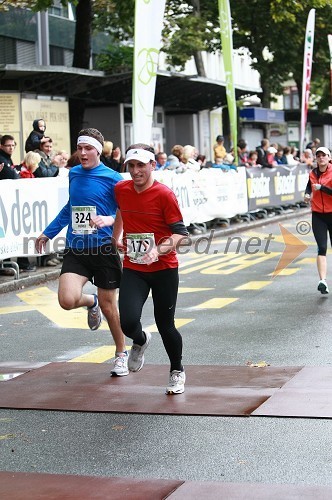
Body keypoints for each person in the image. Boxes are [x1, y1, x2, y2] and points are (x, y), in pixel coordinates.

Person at [35, 128, 128, 376]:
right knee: (66, 300)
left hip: (103, 248)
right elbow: (70, 208)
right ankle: (91, 302)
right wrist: (49, 232)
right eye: (80, 148)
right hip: (76, 247)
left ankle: (121, 352)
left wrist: (109, 222)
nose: (83, 153)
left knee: (111, 308)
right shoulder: (74, 174)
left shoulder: (114, 178)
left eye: (88, 148)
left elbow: (126, 211)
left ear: (98, 150)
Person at [109, 143, 189, 394]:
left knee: (165, 324)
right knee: (128, 322)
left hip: (164, 267)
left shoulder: (164, 194)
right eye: (131, 166)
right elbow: (121, 209)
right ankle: (141, 341)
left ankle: (177, 370)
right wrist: (116, 235)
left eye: (141, 165)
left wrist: (158, 250)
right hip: (134, 265)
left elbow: (180, 234)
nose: (135, 171)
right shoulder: (121, 189)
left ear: (152, 165)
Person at [304, 146, 332, 294]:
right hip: (318, 215)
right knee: (321, 248)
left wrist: (322, 188)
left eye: (324, 155)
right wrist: (307, 195)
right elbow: (309, 187)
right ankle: (323, 281)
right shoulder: (313, 173)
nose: (321, 158)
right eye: (318, 155)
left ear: (329, 157)